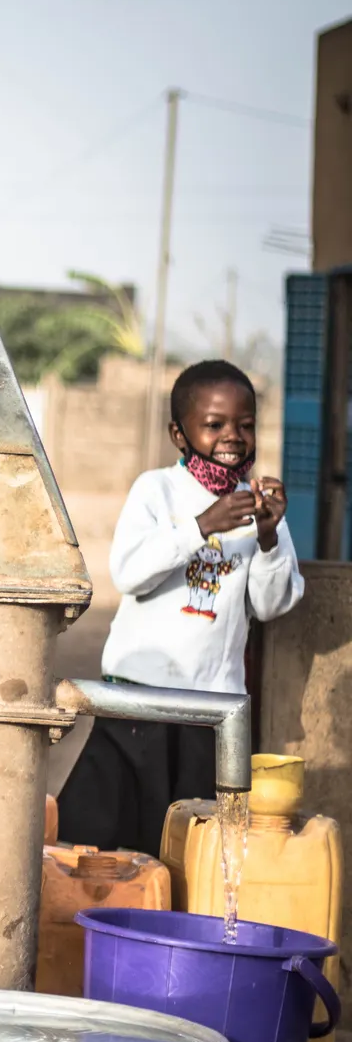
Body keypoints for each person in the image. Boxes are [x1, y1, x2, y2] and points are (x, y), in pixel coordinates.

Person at [57, 360, 303, 854]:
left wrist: (270, 537)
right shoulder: (157, 490)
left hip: (209, 710)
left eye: (245, 424)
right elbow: (130, 573)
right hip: (137, 701)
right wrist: (201, 525)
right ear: (179, 432)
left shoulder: (258, 504)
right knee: (100, 842)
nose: (232, 436)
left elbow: (271, 605)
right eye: (214, 424)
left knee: (193, 851)